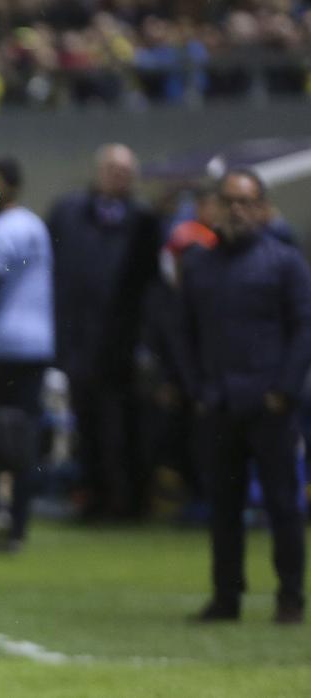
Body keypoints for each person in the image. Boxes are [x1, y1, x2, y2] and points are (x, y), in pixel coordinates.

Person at [179, 169, 311, 625]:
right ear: (214, 207)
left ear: (262, 208)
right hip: (218, 403)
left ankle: (290, 598)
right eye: (228, 201)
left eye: (246, 201)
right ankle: (226, 596)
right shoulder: (197, 265)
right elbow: (184, 333)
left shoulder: (285, 262)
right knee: (223, 507)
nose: (236, 209)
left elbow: (304, 330)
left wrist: (284, 391)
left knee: (282, 504)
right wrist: (196, 388)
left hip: (270, 405)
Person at [47, 143, 160, 519]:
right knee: (86, 425)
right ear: (98, 171)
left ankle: (127, 500)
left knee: (124, 427)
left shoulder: (144, 221)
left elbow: (152, 286)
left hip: (123, 347)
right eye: (112, 168)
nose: (118, 176)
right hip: (78, 342)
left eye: (125, 171)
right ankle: (92, 496)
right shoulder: (67, 213)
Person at [0, 157, 54, 553]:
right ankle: (18, 527)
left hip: (1, 346)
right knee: (26, 438)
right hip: (38, 345)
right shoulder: (36, 226)